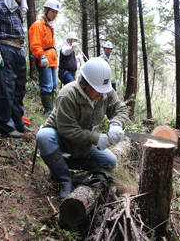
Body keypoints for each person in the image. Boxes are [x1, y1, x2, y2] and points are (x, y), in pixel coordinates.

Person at [37, 57, 128, 200]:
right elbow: (67, 129)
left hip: (84, 142)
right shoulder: (68, 95)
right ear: (84, 84)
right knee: (44, 136)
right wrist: (95, 138)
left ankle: (61, 164)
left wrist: (116, 124)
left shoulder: (105, 91)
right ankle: (64, 180)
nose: (101, 95)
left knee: (110, 162)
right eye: (98, 92)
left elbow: (120, 109)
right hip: (61, 137)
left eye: (103, 91)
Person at [0, 0, 38, 138]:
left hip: (18, 51)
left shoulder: (18, 9)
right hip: (4, 50)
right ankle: (4, 125)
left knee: (19, 88)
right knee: (6, 88)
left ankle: (17, 121)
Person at [29, 0, 60, 115]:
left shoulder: (50, 25)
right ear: (46, 10)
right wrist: (41, 56)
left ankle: (51, 109)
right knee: (46, 85)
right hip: (43, 58)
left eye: (56, 12)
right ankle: (48, 111)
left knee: (53, 85)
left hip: (51, 58)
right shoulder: (38, 25)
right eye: (52, 11)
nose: (54, 14)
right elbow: (35, 44)